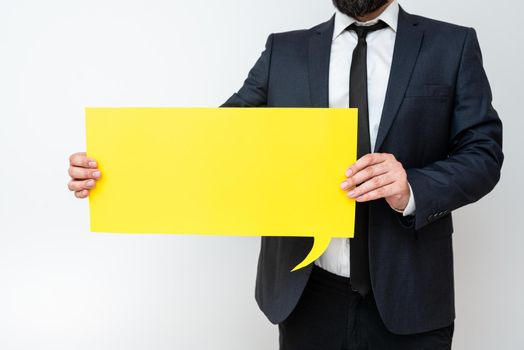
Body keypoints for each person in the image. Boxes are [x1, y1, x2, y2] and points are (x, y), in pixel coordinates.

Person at [67, 0, 504, 348]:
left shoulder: (452, 45)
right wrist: (115, 170)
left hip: (411, 295)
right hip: (306, 294)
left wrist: (413, 186)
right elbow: (214, 143)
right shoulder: (285, 50)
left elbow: (483, 153)